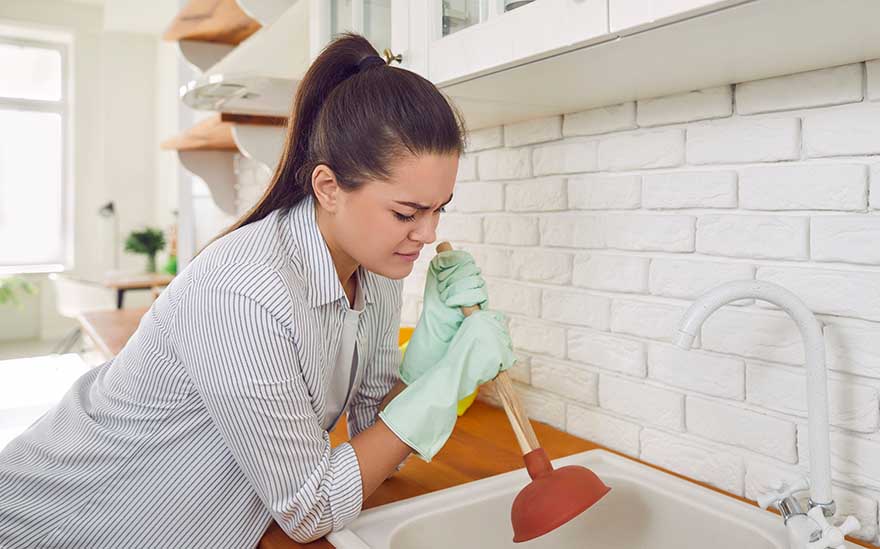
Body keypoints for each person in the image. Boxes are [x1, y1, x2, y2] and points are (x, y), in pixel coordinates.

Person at [0, 33, 514, 549]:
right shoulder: (244, 294)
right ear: (328, 188)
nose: (427, 234)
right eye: (406, 213)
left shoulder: (371, 272)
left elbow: (378, 440)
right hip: (60, 525)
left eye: (439, 208)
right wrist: (449, 380)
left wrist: (432, 353)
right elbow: (309, 508)